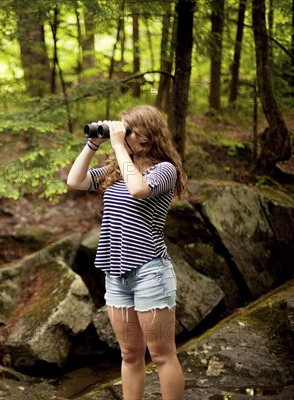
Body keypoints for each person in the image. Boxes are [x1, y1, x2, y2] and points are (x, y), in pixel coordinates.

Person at [67, 105, 186, 399]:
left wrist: (119, 146)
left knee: (161, 355)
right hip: (115, 272)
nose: (122, 134)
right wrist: (92, 144)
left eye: (128, 129)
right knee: (130, 354)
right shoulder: (117, 168)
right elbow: (75, 181)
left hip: (150, 271)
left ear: (147, 133)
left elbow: (138, 190)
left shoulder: (165, 169)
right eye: (121, 129)